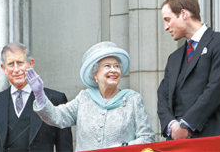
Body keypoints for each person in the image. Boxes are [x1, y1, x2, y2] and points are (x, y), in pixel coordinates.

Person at [25, 41, 155, 151]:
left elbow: (147, 138)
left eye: (116, 66)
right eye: (107, 66)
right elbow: (56, 117)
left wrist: (123, 147)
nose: (113, 70)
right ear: (95, 74)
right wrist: (39, 94)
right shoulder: (84, 98)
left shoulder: (133, 100)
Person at [157, 0, 220, 140]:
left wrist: (186, 124)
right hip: (177, 143)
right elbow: (162, 96)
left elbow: (216, 89)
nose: (166, 27)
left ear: (183, 14)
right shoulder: (173, 58)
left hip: (212, 139)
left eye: (168, 20)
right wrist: (172, 126)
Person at [0, 43, 73, 152]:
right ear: (3, 68)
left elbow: (65, 148)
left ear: (31, 64)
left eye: (20, 63)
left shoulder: (55, 99)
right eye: (11, 64)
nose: (16, 70)